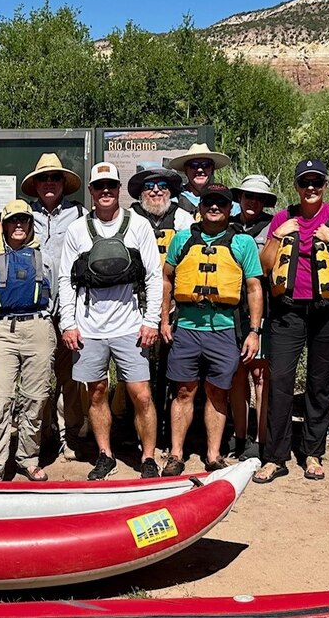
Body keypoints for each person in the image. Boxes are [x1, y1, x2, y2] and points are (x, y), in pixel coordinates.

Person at [254, 159, 329, 484]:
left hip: (327, 312)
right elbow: (263, 265)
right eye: (305, 183)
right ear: (297, 186)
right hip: (288, 311)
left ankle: (313, 451)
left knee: (320, 383)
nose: (311, 189)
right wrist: (276, 238)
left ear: (325, 185)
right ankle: (276, 457)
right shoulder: (283, 218)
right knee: (281, 382)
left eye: (317, 183)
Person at [58, 161, 163, 480]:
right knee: (97, 392)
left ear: (119, 189)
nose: (105, 191)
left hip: (131, 326)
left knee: (141, 394)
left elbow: (154, 276)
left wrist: (152, 320)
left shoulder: (139, 226)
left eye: (111, 186)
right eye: (99, 186)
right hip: (89, 328)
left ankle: (147, 457)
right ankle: (105, 455)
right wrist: (68, 323)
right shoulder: (77, 230)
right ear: (91, 191)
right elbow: (66, 279)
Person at [161, 184, 264, 474]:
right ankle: (176, 455)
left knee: (218, 392)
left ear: (230, 208)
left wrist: (254, 331)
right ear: (200, 206)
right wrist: (164, 320)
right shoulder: (183, 239)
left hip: (225, 329)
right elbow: (167, 279)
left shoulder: (242, 243)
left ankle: (214, 455)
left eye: (221, 203)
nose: (214, 207)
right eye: (209, 202)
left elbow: (254, 288)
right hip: (187, 328)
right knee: (183, 391)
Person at [0, 200, 58, 481]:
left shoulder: (45, 258)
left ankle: (27, 457)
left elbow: (54, 295)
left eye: (24, 220)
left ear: (30, 224)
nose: (19, 225)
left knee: (36, 399)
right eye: (13, 221)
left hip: (38, 328)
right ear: (5, 225)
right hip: (2, 330)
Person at [24, 153, 86, 460]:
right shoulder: (23, 216)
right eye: (44, 178)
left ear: (64, 182)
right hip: (35, 308)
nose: (49, 183)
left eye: (55, 178)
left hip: (70, 306)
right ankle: (42, 433)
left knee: (70, 375)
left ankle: (70, 435)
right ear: (35, 184)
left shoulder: (79, 214)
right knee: (37, 376)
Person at [128, 162, 194, 443]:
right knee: (136, 372)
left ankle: (167, 432)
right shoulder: (129, 217)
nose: (156, 191)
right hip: (133, 304)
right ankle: (134, 432)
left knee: (170, 370)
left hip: (173, 305)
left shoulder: (183, 218)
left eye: (162, 186)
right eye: (149, 186)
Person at [228, 174, 277, 460]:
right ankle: (239, 435)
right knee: (237, 374)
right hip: (232, 309)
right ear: (240, 198)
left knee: (261, 375)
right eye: (248, 196)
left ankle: (261, 438)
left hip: (264, 306)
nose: (253, 202)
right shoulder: (227, 225)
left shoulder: (273, 228)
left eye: (259, 198)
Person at [168, 143, 238, 216]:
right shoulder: (174, 199)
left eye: (206, 165)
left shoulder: (226, 200)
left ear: (212, 169)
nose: (200, 170)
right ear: (186, 170)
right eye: (193, 165)